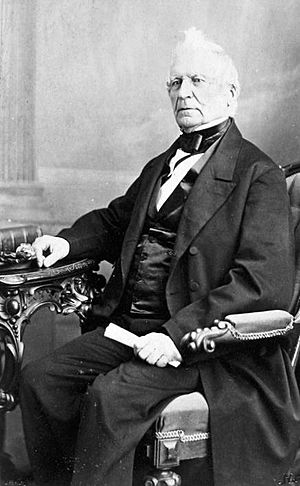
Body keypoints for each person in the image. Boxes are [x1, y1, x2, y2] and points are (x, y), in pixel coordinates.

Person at [20, 28, 300, 486]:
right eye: (175, 83)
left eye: (197, 81)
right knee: (40, 379)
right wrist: (67, 243)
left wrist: (177, 335)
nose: (183, 92)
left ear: (231, 95)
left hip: (208, 348)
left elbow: (259, 284)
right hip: (133, 329)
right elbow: (116, 221)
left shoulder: (258, 175)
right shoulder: (161, 165)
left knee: (110, 398)